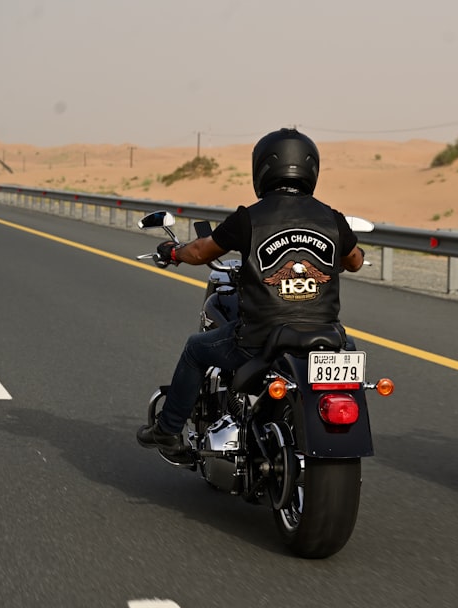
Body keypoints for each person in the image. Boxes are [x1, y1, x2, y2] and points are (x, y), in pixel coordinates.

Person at [137, 128, 366, 459]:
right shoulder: (331, 217)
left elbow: (202, 251)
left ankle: (168, 431)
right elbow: (355, 261)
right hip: (325, 335)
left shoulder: (250, 218)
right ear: (311, 169)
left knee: (195, 350)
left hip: (260, 338)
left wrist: (174, 252)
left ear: (262, 168)